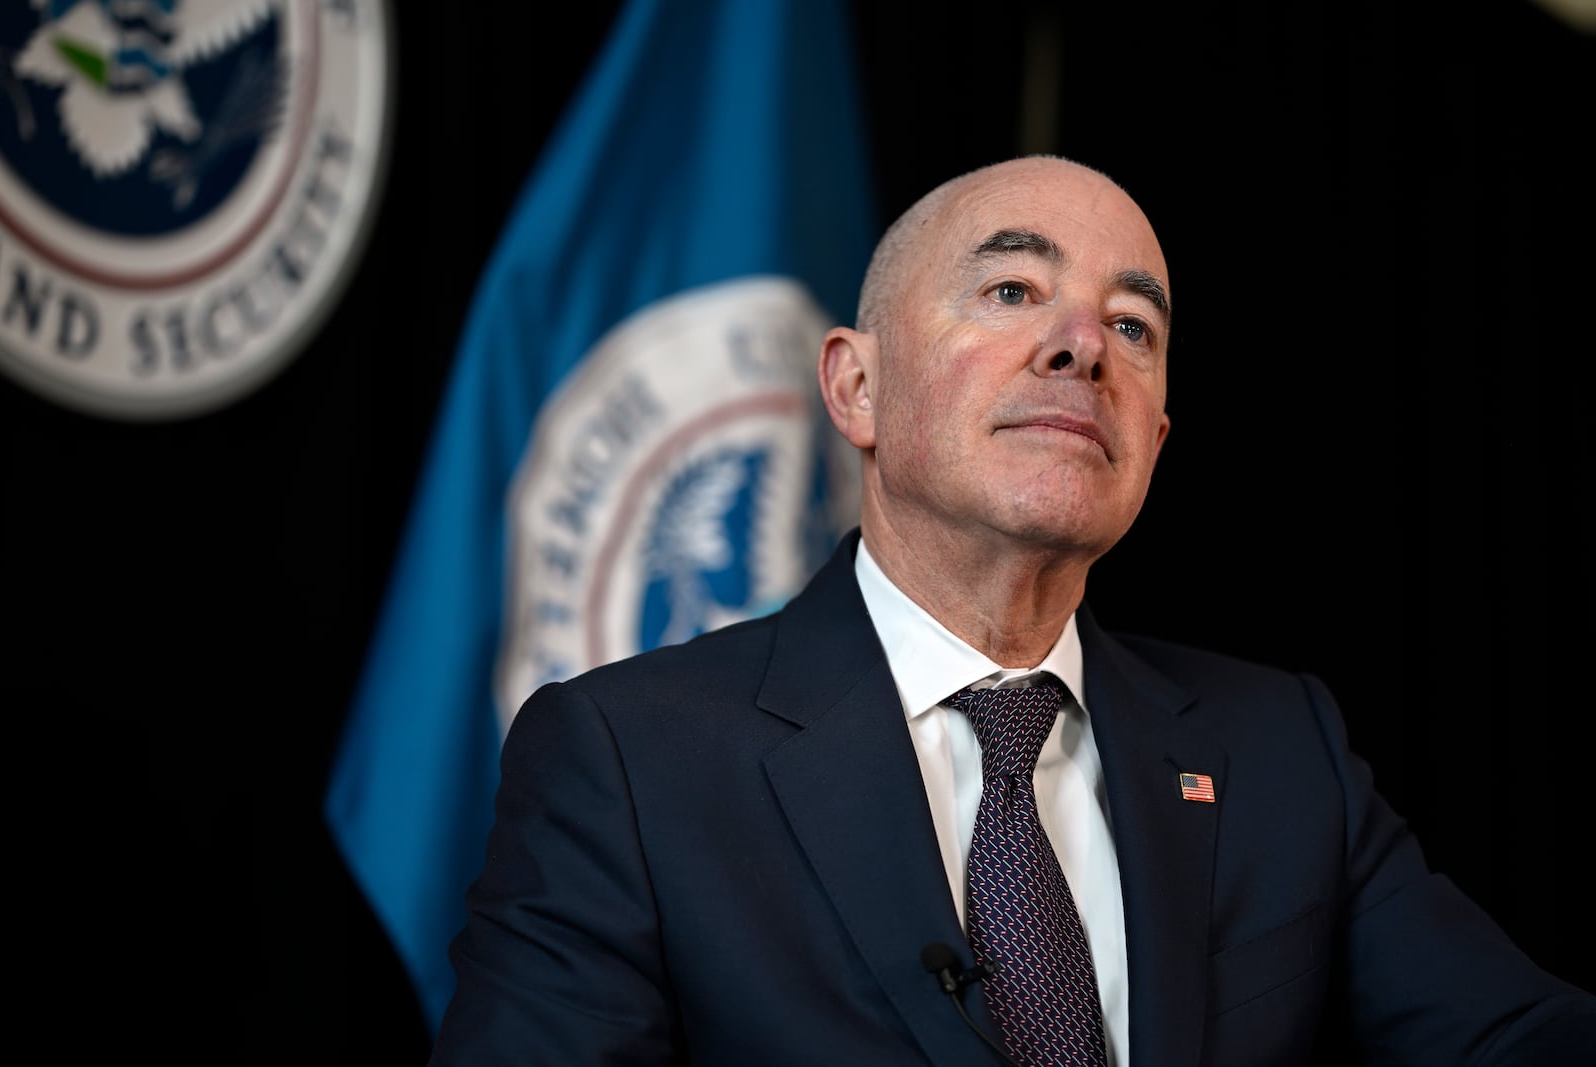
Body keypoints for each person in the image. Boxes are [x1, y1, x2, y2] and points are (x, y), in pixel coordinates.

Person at [427, 155, 1596, 1066]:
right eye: (1011, 288)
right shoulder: (633, 760)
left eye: (1133, 325)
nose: (1083, 344)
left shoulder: (1279, 750)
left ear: (1154, 442)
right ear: (856, 384)